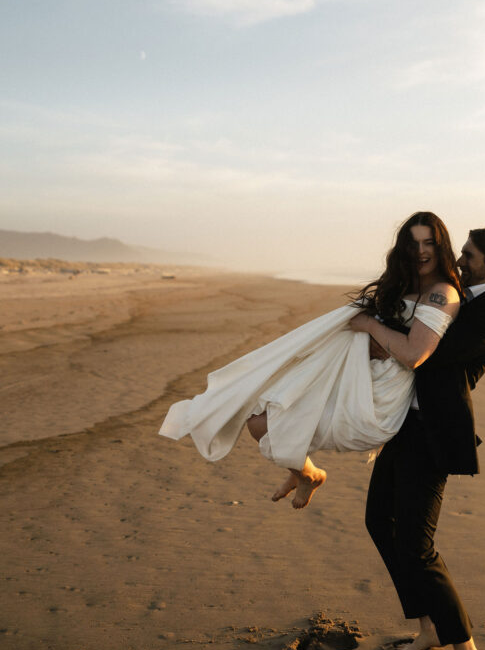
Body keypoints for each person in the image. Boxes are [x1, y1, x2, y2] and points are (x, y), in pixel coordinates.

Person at [159, 212, 463, 509]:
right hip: (351, 375)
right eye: (413, 244)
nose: (421, 251)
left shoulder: (442, 293)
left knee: (264, 424)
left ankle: (308, 474)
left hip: (375, 402)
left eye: (429, 243)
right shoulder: (404, 287)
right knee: (256, 409)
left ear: (441, 247)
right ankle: (302, 473)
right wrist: (370, 337)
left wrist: (371, 328)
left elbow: (413, 355)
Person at [350, 227, 485, 650]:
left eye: (469, 255)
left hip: (433, 436)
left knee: (417, 545)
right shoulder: (462, 298)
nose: (459, 260)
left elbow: (425, 354)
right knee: (378, 522)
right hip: (406, 426)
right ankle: (429, 625)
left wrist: (373, 328)